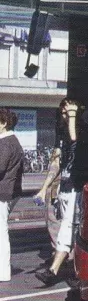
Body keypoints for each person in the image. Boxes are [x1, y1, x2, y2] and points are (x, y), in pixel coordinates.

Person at [36, 100, 87, 286]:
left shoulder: (84, 130)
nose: (65, 115)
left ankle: (53, 270)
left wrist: (73, 115)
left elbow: (75, 140)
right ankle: (74, 270)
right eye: (63, 112)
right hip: (65, 188)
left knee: (67, 229)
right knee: (72, 231)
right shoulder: (62, 135)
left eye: (68, 112)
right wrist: (44, 188)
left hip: (77, 188)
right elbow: (55, 164)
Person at [0, 107, 25, 283]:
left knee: (1, 233)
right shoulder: (14, 141)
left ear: (3, 123)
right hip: (8, 192)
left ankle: (3, 272)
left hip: (2, 193)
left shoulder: (5, 143)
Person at [35, 127, 63, 261]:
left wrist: (43, 189)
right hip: (57, 192)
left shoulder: (59, 150)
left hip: (55, 193)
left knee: (54, 224)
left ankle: (59, 256)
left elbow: (54, 169)